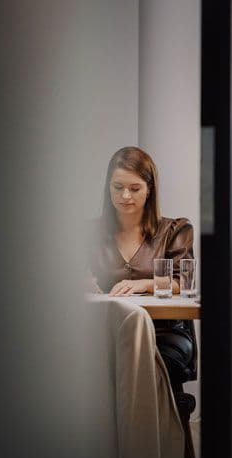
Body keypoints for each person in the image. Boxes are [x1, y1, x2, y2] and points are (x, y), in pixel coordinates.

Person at [90, 146, 197, 391]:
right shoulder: (90, 233)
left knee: (141, 360)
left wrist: (145, 284)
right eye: (118, 187)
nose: (125, 196)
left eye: (135, 188)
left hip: (163, 330)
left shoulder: (175, 230)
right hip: (105, 329)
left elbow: (182, 282)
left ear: (150, 190)